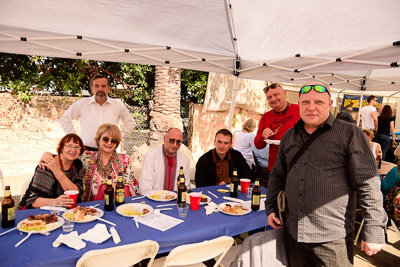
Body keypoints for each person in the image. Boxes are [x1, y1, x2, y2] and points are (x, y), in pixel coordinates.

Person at [265, 82, 387, 265]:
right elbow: (278, 175)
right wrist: (272, 206)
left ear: (329, 104)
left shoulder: (350, 134)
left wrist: (374, 227)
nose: (311, 107)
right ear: (299, 104)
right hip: (293, 232)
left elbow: (367, 183)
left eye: (318, 102)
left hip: (332, 239)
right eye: (305, 102)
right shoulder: (289, 136)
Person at [41, 124, 140, 201]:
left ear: (117, 144)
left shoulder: (124, 160)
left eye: (113, 141)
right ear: (98, 140)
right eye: (105, 139)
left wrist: (113, 188)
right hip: (91, 206)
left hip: (117, 203)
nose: (109, 143)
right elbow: (66, 155)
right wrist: (47, 154)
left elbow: (132, 185)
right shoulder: (86, 157)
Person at [59, 75, 136, 151]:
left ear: (108, 89)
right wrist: (76, 139)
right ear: (92, 89)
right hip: (86, 149)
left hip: (109, 150)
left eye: (103, 86)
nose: (100, 89)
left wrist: (117, 137)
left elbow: (131, 123)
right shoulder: (82, 104)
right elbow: (64, 119)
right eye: (96, 86)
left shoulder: (118, 105)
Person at [18, 134, 85, 210]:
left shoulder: (77, 164)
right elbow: (33, 200)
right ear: (62, 148)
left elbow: (76, 191)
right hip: (38, 211)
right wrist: (56, 202)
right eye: (69, 146)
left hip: (64, 211)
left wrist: (57, 171)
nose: (73, 150)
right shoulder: (47, 165)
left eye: (77, 147)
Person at [254, 83, 300, 175]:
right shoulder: (266, 117)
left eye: (276, 95)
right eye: (269, 97)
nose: (273, 99)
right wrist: (263, 136)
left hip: (297, 167)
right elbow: (258, 145)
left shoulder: (300, 110)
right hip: (275, 168)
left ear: (284, 93)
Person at [139, 128, 191, 195]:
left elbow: (185, 185)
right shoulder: (151, 157)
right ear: (164, 139)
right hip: (154, 199)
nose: (175, 145)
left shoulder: (185, 160)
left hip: (176, 200)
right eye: (172, 140)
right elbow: (145, 187)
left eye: (178, 142)